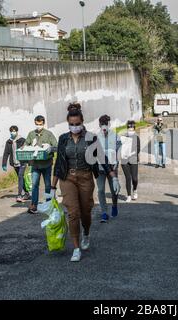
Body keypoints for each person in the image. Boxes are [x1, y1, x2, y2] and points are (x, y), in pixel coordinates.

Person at [51, 104, 116, 262]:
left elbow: (101, 157)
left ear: (82, 121)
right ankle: (76, 247)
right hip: (68, 178)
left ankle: (86, 233)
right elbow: (59, 162)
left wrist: (112, 176)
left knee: (86, 211)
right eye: (71, 124)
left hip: (86, 177)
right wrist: (52, 187)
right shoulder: (63, 139)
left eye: (77, 124)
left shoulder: (91, 137)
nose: (74, 127)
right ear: (68, 123)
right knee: (73, 213)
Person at [25, 115, 58, 214]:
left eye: (40, 124)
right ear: (35, 123)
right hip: (35, 165)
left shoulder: (49, 134)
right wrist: (30, 146)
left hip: (46, 164)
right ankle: (34, 205)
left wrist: (50, 148)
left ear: (43, 124)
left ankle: (49, 204)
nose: (38, 126)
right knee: (34, 185)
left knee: (48, 185)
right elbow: (25, 146)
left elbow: (56, 146)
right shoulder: (31, 134)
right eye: (37, 124)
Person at [96, 115, 122, 223]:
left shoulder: (115, 136)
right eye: (102, 123)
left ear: (109, 124)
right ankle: (104, 212)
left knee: (113, 190)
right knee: (101, 190)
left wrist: (117, 160)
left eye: (106, 123)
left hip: (112, 167)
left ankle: (114, 205)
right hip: (100, 168)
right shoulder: (96, 137)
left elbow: (119, 149)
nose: (104, 126)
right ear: (99, 124)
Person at [2, 125, 29, 203]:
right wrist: (4, 164)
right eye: (11, 131)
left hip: (22, 162)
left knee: (20, 176)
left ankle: (19, 195)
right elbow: (6, 153)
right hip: (14, 163)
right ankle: (27, 193)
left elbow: (27, 150)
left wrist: (29, 161)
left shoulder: (22, 140)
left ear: (17, 131)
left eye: (14, 131)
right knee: (21, 178)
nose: (12, 133)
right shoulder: (9, 142)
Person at [120, 120, 141, 202]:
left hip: (133, 159)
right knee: (128, 178)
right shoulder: (123, 137)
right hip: (124, 160)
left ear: (134, 128)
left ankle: (135, 190)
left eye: (132, 127)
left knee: (134, 178)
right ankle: (128, 195)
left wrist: (132, 153)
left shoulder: (136, 137)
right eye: (129, 127)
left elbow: (138, 149)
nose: (130, 129)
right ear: (127, 128)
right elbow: (119, 147)